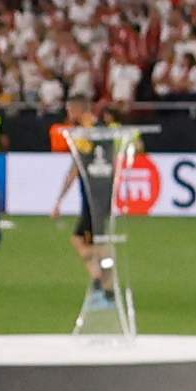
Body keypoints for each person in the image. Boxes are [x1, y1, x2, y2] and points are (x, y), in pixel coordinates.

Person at [63, 106, 137, 331]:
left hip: (94, 200)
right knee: (86, 241)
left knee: (96, 243)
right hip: (99, 199)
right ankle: (102, 282)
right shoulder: (103, 134)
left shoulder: (87, 136)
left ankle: (104, 286)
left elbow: (77, 168)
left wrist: (59, 199)